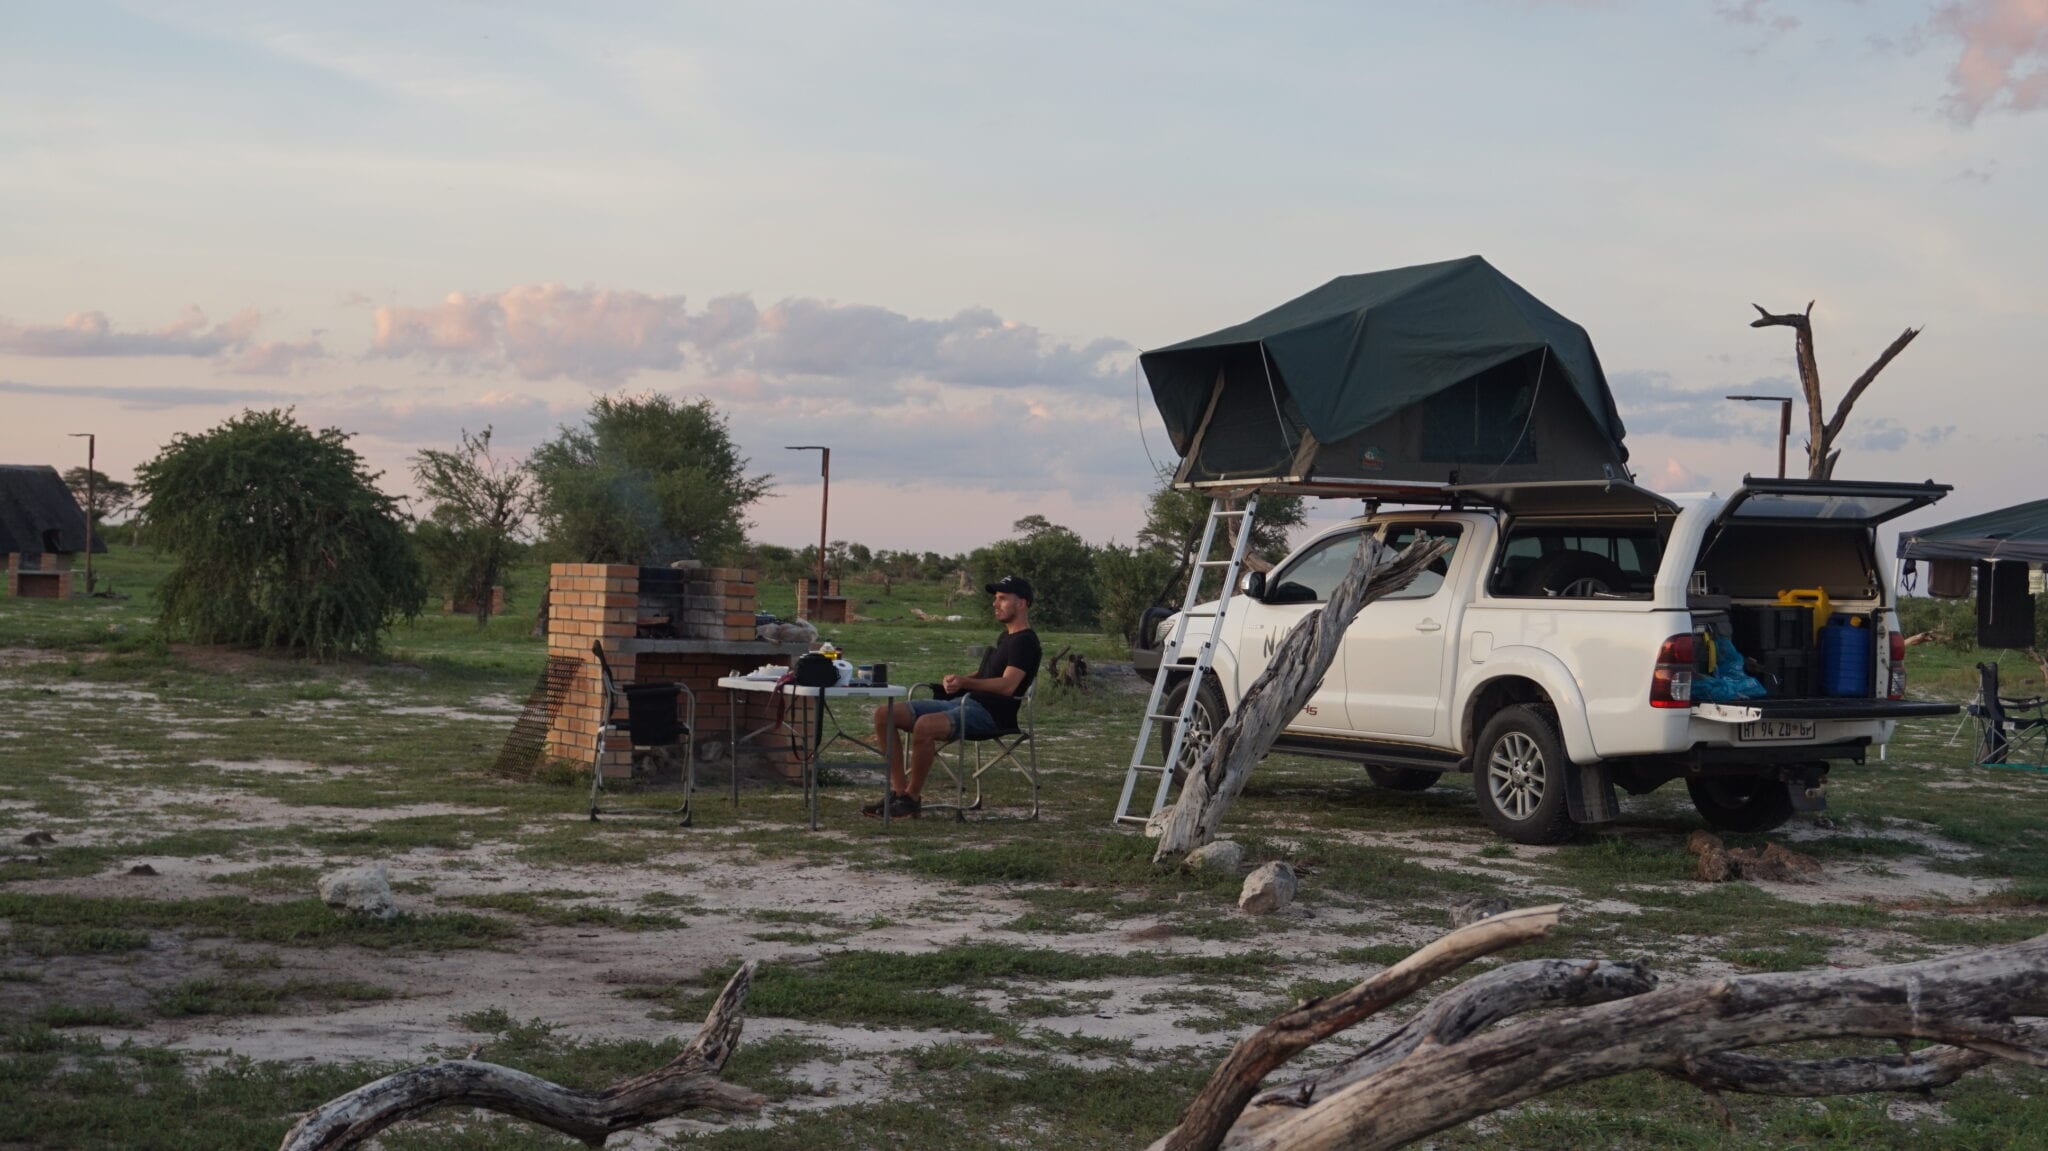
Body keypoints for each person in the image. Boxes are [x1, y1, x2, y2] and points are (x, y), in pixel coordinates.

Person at [866, 575, 1042, 818]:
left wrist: (967, 682)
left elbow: (1008, 686)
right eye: (995, 599)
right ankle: (897, 793)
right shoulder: (1006, 637)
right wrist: (959, 679)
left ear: (1021, 603)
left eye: (1002, 599)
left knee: (925, 726)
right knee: (884, 714)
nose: (995, 604)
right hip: (966, 702)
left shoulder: (1026, 642)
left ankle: (911, 798)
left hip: (992, 715)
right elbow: (987, 674)